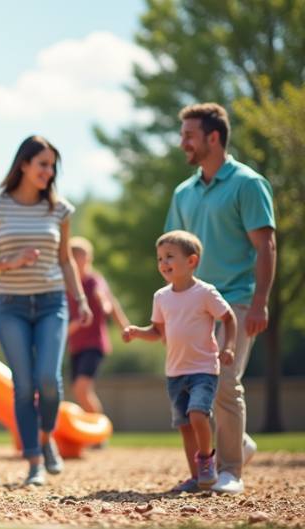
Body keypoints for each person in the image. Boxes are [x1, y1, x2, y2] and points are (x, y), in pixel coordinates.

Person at [166, 102, 276, 494]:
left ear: (213, 137)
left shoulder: (248, 184)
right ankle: (234, 448)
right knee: (196, 385)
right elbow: (170, 250)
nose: (183, 143)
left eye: (189, 135)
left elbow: (266, 246)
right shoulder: (184, 192)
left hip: (236, 300)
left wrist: (261, 301)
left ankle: (231, 470)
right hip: (192, 304)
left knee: (225, 380)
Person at [0, 135, 92, 486]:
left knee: (48, 381)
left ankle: (46, 435)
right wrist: (11, 262)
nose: (48, 171)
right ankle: (34, 461)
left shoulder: (60, 209)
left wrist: (80, 298)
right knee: (23, 386)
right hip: (11, 306)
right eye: (42, 164)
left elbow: (65, 259)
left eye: (52, 165)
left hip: (52, 302)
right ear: (23, 164)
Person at [124, 230, 237, 491]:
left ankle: (207, 460)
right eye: (160, 258)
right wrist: (138, 333)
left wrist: (228, 346)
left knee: (198, 414)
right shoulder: (161, 297)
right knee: (185, 427)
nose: (163, 263)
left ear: (192, 261)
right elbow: (157, 332)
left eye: (170, 257)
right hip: (175, 372)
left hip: (204, 369)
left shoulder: (205, 292)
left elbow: (228, 318)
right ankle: (198, 477)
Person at [67, 236, 130, 414]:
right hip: (75, 346)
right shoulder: (68, 285)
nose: (81, 263)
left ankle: (99, 432)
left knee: (81, 388)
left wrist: (124, 326)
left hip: (94, 344)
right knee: (80, 392)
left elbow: (107, 300)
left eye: (83, 258)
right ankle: (92, 429)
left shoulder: (93, 280)